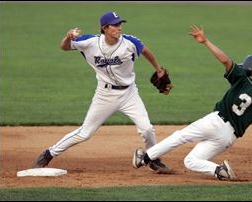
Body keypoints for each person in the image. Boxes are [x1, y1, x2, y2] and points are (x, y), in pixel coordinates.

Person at [133, 25, 252, 180]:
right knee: (191, 160)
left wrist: (205, 41)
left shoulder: (241, 79)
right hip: (228, 138)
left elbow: (225, 60)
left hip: (215, 122)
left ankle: (145, 158)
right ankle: (219, 170)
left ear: (248, 69)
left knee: (180, 136)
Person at [33, 11, 170, 174]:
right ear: (105, 28)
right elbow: (64, 47)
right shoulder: (89, 42)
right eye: (115, 25)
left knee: (147, 129)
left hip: (129, 94)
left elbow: (146, 51)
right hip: (104, 95)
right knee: (85, 133)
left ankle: (153, 159)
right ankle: (49, 154)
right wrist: (68, 37)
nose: (119, 27)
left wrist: (158, 70)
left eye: (120, 24)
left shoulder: (130, 42)